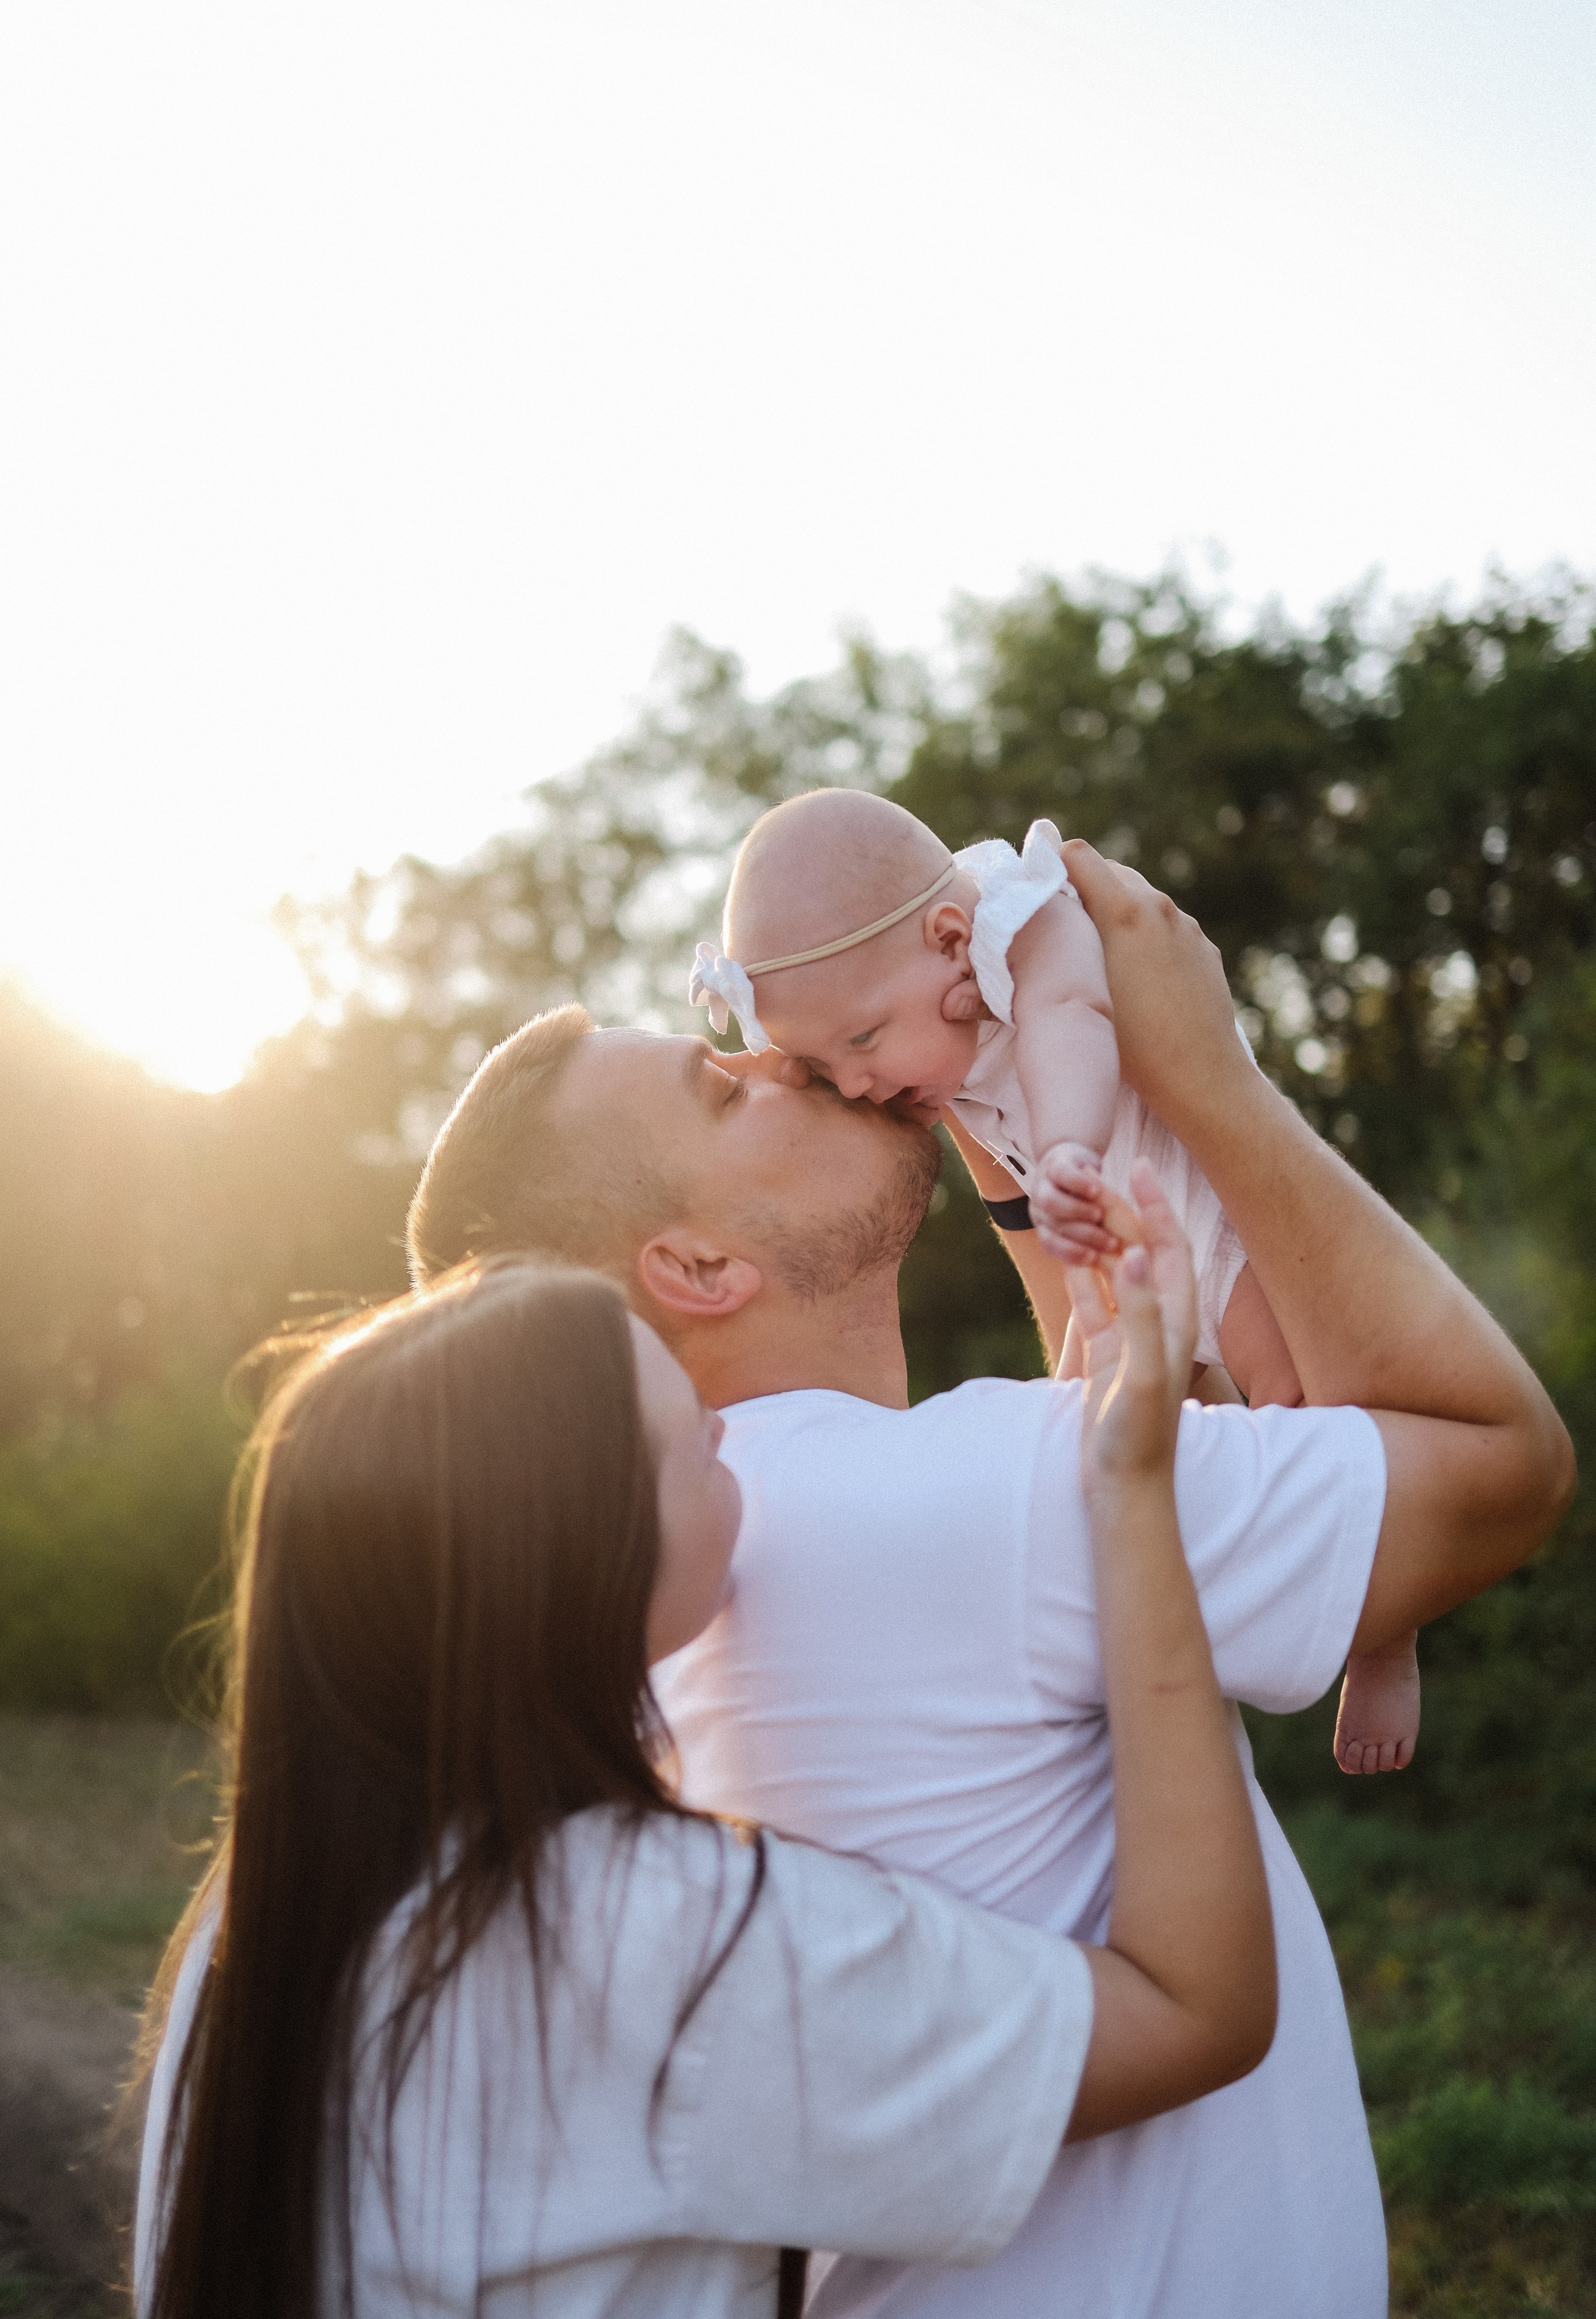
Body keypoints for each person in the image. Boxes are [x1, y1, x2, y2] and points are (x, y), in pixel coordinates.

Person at [406, 843, 1574, 2319]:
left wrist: (1021, 1170)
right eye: (723, 1087)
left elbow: (1078, 1407)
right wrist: (1210, 1084)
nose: (778, 1061)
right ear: (694, 1267)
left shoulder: (664, 1578)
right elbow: (1497, 1466)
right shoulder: (979, 1502)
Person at [133, 1228, 1276, 2319]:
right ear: (585, 1550)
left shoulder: (255, 1923)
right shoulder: (654, 1939)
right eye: (689, 1432)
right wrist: (1135, 1488)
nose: (729, 1431)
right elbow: (1193, 2012)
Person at [690, 785, 1418, 1774]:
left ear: (952, 937)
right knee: (1080, 1444)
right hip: (1101, 1239)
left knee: (1301, 1407)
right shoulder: (923, 1012)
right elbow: (971, 1136)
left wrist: (1068, 1146)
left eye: (859, 1043)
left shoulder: (1020, 923)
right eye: (821, 1067)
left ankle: (1382, 1633)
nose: (855, 1083)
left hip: (1197, 1204)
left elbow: (1073, 1009)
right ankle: (1165, 1664)